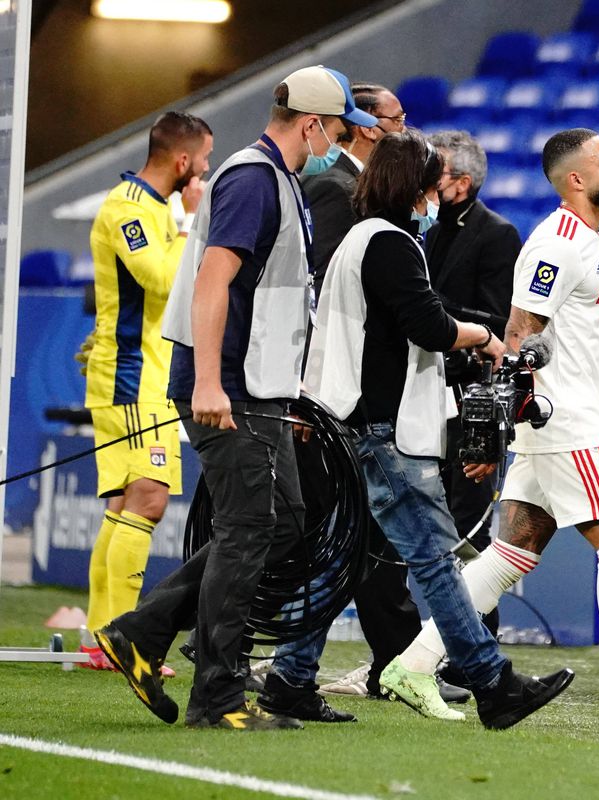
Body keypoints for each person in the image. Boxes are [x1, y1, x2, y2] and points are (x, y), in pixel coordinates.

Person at [389, 127, 599, 730]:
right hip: (568, 423)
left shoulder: (590, 240)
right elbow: (519, 337)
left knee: (508, 555)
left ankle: (412, 664)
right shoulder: (557, 243)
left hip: (557, 424)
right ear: (576, 179)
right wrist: (500, 428)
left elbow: (597, 344)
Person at [97, 65, 377, 731]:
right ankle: (218, 698)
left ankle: (143, 629)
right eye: (340, 127)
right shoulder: (255, 179)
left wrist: (289, 392)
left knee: (279, 521)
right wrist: (209, 382)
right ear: (311, 122)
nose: (341, 140)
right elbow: (213, 283)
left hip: (258, 386)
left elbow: (270, 298)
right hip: (232, 385)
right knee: (252, 529)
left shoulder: (272, 179)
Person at [302, 129, 573, 729]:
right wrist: (483, 336)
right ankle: (494, 684)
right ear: (415, 186)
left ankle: (292, 677)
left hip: (356, 419)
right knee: (436, 561)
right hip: (385, 427)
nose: (434, 198)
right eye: (430, 185)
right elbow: (429, 326)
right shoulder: (392, 243)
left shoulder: (359, 238)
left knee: (348, 558)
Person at [262, 83, 443, 714]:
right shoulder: (345, 203)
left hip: (346, 407)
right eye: (392, 120)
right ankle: (481, 673)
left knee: (345, 551)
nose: (399, 127)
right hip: (355, 411)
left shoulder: (368, 215)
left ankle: (289, 674)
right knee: (425, 556)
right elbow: (341, 309)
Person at [80, 111, 212, 672]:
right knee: (150, 500)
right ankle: (120, 638)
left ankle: (100, 639)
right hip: (133, 379)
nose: (206, 168)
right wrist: (191, 222)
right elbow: (160, 279)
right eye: (204, 158)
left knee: (123, 506)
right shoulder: (129, 207)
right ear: (183, 161)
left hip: (142, 376)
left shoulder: (151, 207)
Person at [425, 130, 522, 567]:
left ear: (461, 182)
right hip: (421, 389)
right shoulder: (420, 226)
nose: (424, 179)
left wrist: (432, 309)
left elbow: (500, 321)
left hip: (470, 399)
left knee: (468, 528)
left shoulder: (498, 234)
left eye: (435, 171)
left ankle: (478, 631)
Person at [304, 82, 407, 301]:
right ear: (368, 128)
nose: (404, 131)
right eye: (398, 120)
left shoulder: (349, 180)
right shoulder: (335, 187)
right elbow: (323, 277)